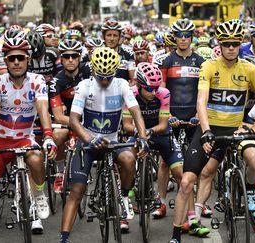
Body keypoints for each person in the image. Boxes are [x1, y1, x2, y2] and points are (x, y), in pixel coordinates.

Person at [169, 20, 255, 243]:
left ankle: (249, 187)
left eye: (235, 44)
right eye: (226, 43)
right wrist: (206, 130)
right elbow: (202, 100)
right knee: (188, 181)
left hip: (237, 130)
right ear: (220, 43)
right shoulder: (209, 66)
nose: (230, 48)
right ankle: (176, 234)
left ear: (240, 44)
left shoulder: (248, 69)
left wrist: (254, 129)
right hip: (211, 129)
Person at [0, 37, 57, 243]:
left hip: (24, 139)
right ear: (6, 60)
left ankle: (39, 193)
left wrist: (48, 137)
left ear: (28, 60)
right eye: (11, 58)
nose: (16, 62)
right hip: (0, 140)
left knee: (35, 157)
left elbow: (43, 109)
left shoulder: (37, 81)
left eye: (20, 58)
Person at [60, 47, 149, 242]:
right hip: (88, 143)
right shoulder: (84, 86)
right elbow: (74, 120)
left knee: (128, 158)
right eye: (101, 76)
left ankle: (124, 196)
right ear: (93, 71)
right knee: (76, 191)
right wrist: (89, 139)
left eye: (109, 76)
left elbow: (136, 113)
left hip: (112, 142)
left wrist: (142, 137)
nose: (106, 81)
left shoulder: (122, 84)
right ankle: (63, 238)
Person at [159, 19, 205, 231]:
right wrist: (166, 115)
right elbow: (161, 90)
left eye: (188, 35)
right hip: (173, 115)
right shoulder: (168, 61)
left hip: (193, 116)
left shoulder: (200, 60)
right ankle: (160, 203)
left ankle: (192, 212)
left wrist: (198, 113)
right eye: (180, 35)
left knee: (191, 167)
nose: (184, 39)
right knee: (165, 162)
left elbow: (205, 91)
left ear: (192, 37)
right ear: (175, 38)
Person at [122, 62, 184, 219]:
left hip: (160, 133)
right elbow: (127, 126)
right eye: (150, 88)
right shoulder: (130, 93)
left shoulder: (163, 93)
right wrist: (140, 132)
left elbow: (163, 125)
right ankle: (123, 207)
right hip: (137, 133)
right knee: (125, 160)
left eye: (157, 87)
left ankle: (183, 213)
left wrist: (149, 131)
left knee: (180, 173)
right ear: (140, 85)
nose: (154, 92)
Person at [49, 39, 91, 193]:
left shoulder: (89, 71)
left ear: (80, 57)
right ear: (61, 59)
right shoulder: (56, 81)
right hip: (68, 119)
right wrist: (77, 123)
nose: (71, 60)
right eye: (66, 56)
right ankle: (60, 172)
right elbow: (58, 116)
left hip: (88, 116)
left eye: (74, 56)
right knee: (58, 135)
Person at [101, 19, 135, 84]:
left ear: (119, 37)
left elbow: (133, 80)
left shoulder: (128, 55)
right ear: (103, 37)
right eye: (109, 35)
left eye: (115, 35)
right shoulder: (96, 53)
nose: (112, 39)